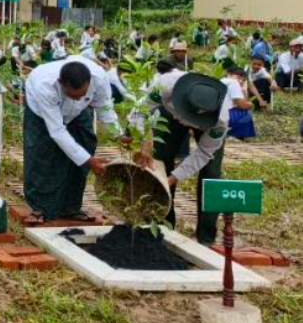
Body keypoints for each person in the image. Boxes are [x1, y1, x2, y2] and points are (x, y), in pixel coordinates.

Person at [141, 70, 232, 245]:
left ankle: (206, 237)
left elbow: (204, 153)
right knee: (160, 161)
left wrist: (173, 179)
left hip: (208, 126)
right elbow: (141, 110)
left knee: (212, 173)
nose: (187, 121)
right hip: (169, 116)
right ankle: (162, 226)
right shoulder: (165, 84)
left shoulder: (220, 119)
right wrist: (144, 138)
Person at [22, 57, 118, 221]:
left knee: (85, 142)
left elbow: (105, 107)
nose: (79, 98)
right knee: (42, 154)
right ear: (62, 84)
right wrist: (89, 160)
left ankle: (71, 207)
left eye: (83, 95)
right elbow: (57, 131)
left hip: (77, 112)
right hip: (41, 112)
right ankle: (41, 208)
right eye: (73, 95)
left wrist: (119, 135)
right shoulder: (44, 86)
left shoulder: (99, 77)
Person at [221, 66, 256, 140]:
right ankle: (234, 134)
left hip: (215, 116)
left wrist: (244, 90)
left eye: (243, 80)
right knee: (247, 113)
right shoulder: (233, 82)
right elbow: (242, 105)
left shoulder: (221, 81)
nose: (240, 81)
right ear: (229, 74)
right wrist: (251, 104)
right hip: (225, 116)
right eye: (238, 77)